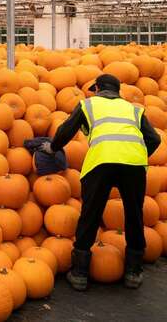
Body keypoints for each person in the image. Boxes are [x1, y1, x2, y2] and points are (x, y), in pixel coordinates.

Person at [44, 74, 161, 291]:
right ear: (118, 91)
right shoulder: (134, 109)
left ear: (97, 88)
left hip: (102, 162)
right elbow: (155, 139)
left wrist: (52, 148)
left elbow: (66, 130)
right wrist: (138, 155)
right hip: (133, 164)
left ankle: (79, 273)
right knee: (134, 214)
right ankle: (133, 272)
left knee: (91, 213)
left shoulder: (88, 104)